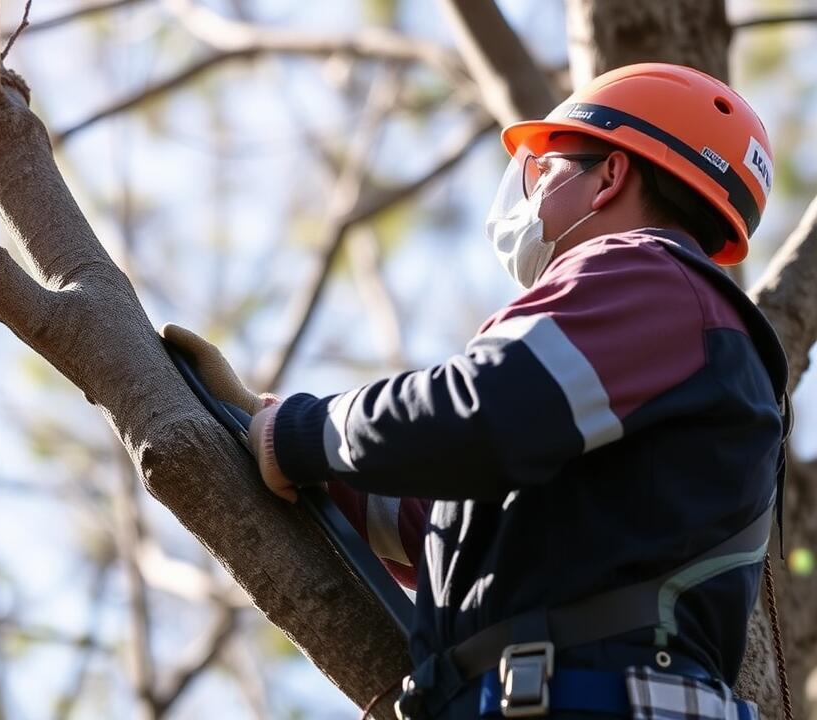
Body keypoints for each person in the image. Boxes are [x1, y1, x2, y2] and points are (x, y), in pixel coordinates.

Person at [164, 63, 789, 719]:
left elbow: (477, 411)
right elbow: (459, 525)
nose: (532, 187)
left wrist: (301, 435)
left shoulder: (646, 277)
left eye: (548, 168)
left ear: (610, 176)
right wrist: (282, 436)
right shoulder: (661, 326)